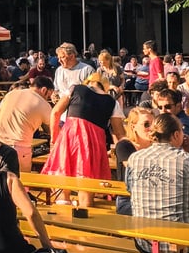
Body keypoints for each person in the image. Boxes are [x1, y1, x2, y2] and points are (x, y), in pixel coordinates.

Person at [125, 113, 189, 253]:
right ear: (176, 135)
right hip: (184, 244)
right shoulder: (187, 159)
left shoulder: (135, 158)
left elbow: (129, 188)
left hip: (145, 243)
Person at [42, 74, 126, 207]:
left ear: (87, 82)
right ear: (104, 87)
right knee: (86, 182)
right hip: (93, 142)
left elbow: (55, 113)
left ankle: (61, 213)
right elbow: (119, 133)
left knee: (62, 176)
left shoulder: (75, 89)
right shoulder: (112, 102)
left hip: (70, 135)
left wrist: (54, 139)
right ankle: (84, 213)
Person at [0, 76, 53, 171]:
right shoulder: (43, 104)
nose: (48, 99)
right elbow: (53, 130)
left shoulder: (11, 94)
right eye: (48, 96)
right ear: (44, 90)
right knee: (20, 182)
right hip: (19, 147)